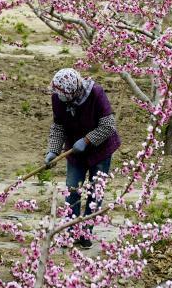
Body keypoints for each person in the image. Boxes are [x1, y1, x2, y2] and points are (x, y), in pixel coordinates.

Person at [44, 68, 121, 248]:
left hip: (100, 149)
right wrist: (53, 151)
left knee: (95, 192)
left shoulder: (95, 93)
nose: (58, 97)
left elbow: (108, 126)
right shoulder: (58, 98)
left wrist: (87, 140)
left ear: (74, 91)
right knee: (72, 190)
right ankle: (71, 233)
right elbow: (58, 126)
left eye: (63, 95)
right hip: (75, 151)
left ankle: (86, 232)